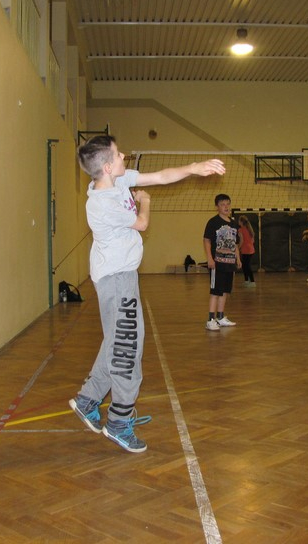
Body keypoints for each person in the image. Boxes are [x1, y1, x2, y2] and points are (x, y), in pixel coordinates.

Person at [69, 135, 225, 452]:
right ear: (107, 166)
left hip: (120, 276)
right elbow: (141, 223)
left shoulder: (115, 179)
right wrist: (146, 202)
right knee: (127, 347)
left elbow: (160, 176)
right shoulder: (103, 203)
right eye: (118, 153)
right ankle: (119, 421)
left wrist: (194, 168)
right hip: (116, 280)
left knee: (116, 340)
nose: (124, 155)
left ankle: (88, 399)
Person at [204, 194, 241, 331]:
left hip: (229, 263)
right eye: (222, 204)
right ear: (217, 207)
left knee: (225, 291)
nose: (226, 207)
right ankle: (210, 320)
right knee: (216, 291)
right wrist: (209, 258)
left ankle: (220, 317)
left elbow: (235, 243)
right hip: (217, 263)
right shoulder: (213, 222)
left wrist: (238, 258)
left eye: (227, 204)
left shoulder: (233, 223)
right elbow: (206, 240)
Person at [237, 215, 256, 287]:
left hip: (246, 250)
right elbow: (253, 241)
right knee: (245, 266)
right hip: (251, 250)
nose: (238, 222)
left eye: (239, 220)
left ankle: (252, 282)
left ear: (241, 222)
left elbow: (241, 241)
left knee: (246, 266)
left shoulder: (241, 230)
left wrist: (237, 248)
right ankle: (247, 281)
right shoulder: (250, 229)